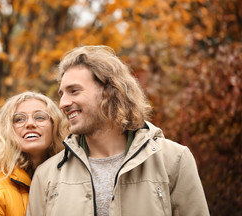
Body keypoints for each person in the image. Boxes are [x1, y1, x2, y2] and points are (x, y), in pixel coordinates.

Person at [27, 45, 210, 216]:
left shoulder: (173, 160)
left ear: (110, 91)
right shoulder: (46, 176)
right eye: (62, 94)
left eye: (74, 91)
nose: (63, 103)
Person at [0, 91, 68, 216]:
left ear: (55, 126)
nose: (30, 124)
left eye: (40, 117)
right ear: (7, 131)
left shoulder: (70, 178)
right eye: (19, 119)